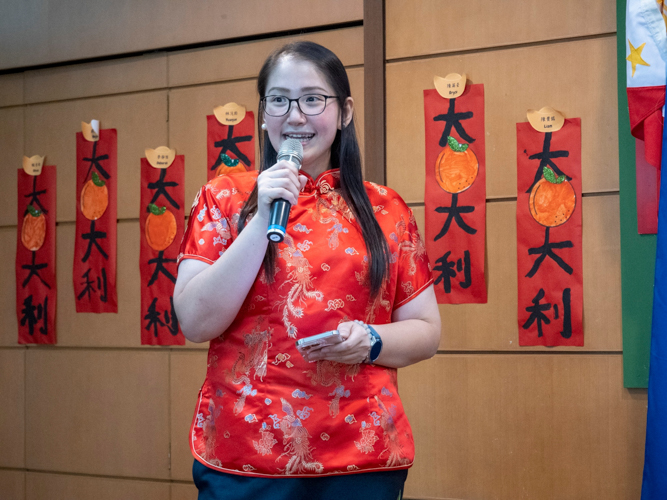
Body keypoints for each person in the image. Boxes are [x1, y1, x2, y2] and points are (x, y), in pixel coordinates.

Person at [173, 41, 441, 500]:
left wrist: (371, 341)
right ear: (262, 113)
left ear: (345, 112)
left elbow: (426, 330)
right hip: (246, 458)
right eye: (278, 100)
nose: (294, 116)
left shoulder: (386, 209)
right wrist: (262, 218)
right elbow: (196, 321)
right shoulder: (223, 198)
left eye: (313, 99)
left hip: (361, 454)